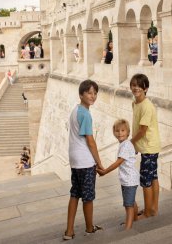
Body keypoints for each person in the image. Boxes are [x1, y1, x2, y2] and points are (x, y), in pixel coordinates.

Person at [63, 79, 103, 240]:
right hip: (85, 161)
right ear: (81, 94)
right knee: (88, 196)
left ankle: (69, 231)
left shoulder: (76, 110)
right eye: (89, 93)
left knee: (75, 194)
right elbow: (90, 141)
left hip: (74, 159)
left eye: (95, 93)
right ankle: (89, 228)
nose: (93, 96)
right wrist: (99, 163)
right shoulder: (85, 114)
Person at [97, 119, 139, 230]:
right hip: (129, 179)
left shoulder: (125, 145)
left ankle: (128, 228)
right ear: (114, 132)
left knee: (128, 204)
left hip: (129, 179)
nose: (120, 133)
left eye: (123, 130)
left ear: (128, 132)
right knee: (131, 200)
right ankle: (135, 218)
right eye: (117, 131)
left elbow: (118, 162)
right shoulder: (126, 144)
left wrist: (105, 171)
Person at [130, 73, 161, 219]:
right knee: (153, 177)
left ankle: (148, 212)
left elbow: (142, 130)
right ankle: (153, 208)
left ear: (146, 88)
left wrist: (131, 143)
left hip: (149, 147)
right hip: (148, 147)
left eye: (139, 86)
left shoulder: (147, 106)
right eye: (133, 85)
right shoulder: (135, 103)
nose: (135, 88)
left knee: (146, 180)